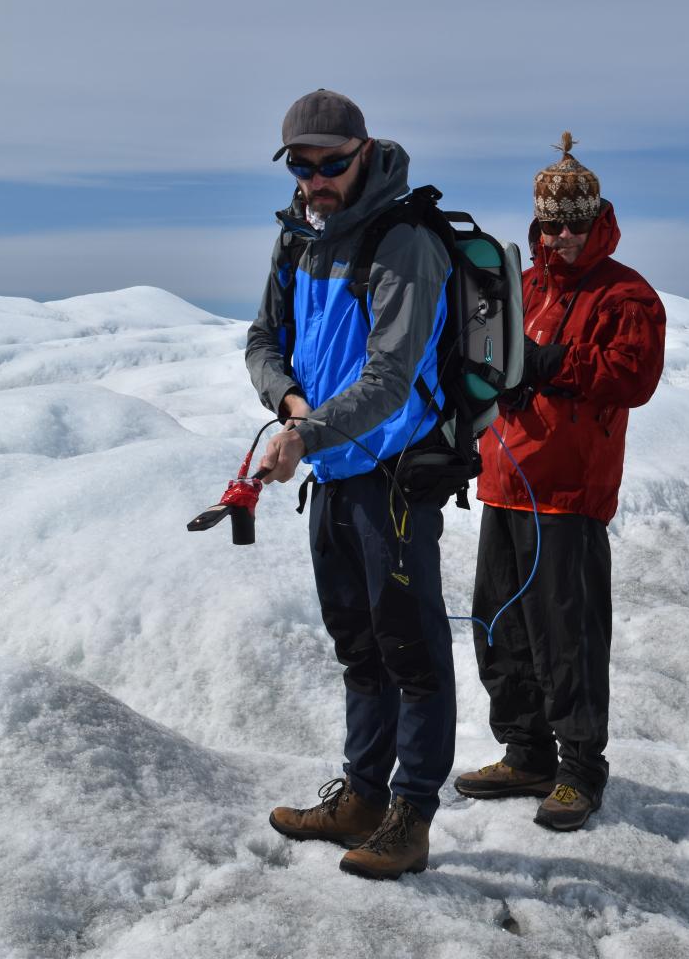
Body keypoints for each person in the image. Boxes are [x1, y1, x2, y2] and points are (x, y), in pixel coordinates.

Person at [244, 89, 456, 880]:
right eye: (303, 165)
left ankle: (412, 815)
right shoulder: (299, 239)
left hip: (392, 477)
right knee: (358, 646)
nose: (318, 179)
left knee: (412, 651)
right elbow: (264, 340)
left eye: (333, 163)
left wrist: (304, 433)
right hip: (330, 470)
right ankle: (364, 796)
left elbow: (392, 378)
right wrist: (288, 402)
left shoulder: (404, 242)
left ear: (364, 151)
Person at [454, 132, 666, 831]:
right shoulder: (520, 283)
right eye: (553, 223)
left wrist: (550, 367)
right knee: (501, 625)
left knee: (566, 635)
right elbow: (491, 351)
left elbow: (633, 377)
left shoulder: (626, 293)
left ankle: (580, 769)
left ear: (597, 215)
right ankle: (526, 752)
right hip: (505, 477)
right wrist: (498, 385)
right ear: (539, 223)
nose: (566, 236)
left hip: (569, 493)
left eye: (578, 222)